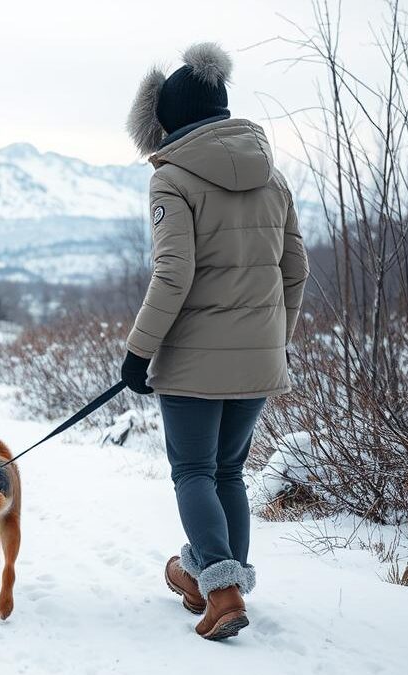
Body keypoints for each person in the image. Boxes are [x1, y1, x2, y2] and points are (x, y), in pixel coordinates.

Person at [119, 42, 309, 640]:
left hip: (195, 362)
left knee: (195, 471)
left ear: (167, 122)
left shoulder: (171, 179)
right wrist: (275, 341)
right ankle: (201, 576)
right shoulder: (271, 176)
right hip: (260, 356)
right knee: (229, 471)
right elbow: (295, 268)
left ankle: (222, 593)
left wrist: (138, 351)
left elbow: (173, 273)